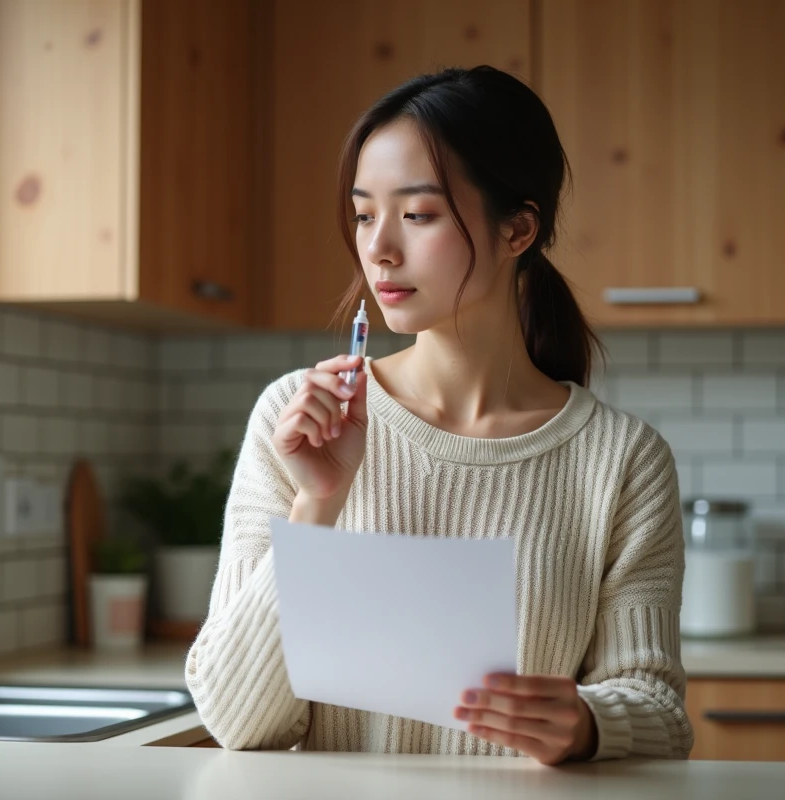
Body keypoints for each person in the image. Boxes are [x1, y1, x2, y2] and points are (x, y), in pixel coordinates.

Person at [184, 65, 693, 764]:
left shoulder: (622, 460)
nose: (378, 249)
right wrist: (316, 504)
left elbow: (661, 711)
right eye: (365, 214)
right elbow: (238, 722)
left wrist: (587, 723)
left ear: (518, 229)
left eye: (417, 215)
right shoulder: (297, 421)